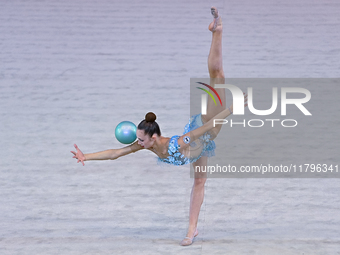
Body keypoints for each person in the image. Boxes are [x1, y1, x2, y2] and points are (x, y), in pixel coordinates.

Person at [71, 7, 247, 246]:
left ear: (154, 137)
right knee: (199, 182)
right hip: (197, 146)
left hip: (207, 127)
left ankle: (218, 30)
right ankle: (191, 231)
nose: (137, 143)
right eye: (138, 139)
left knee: (217, 76)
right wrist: (86, 156)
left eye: (141, 139)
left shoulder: (177, 142)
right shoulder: (147, 146)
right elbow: (115, 154)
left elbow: (206, 129)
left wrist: (231, 111)